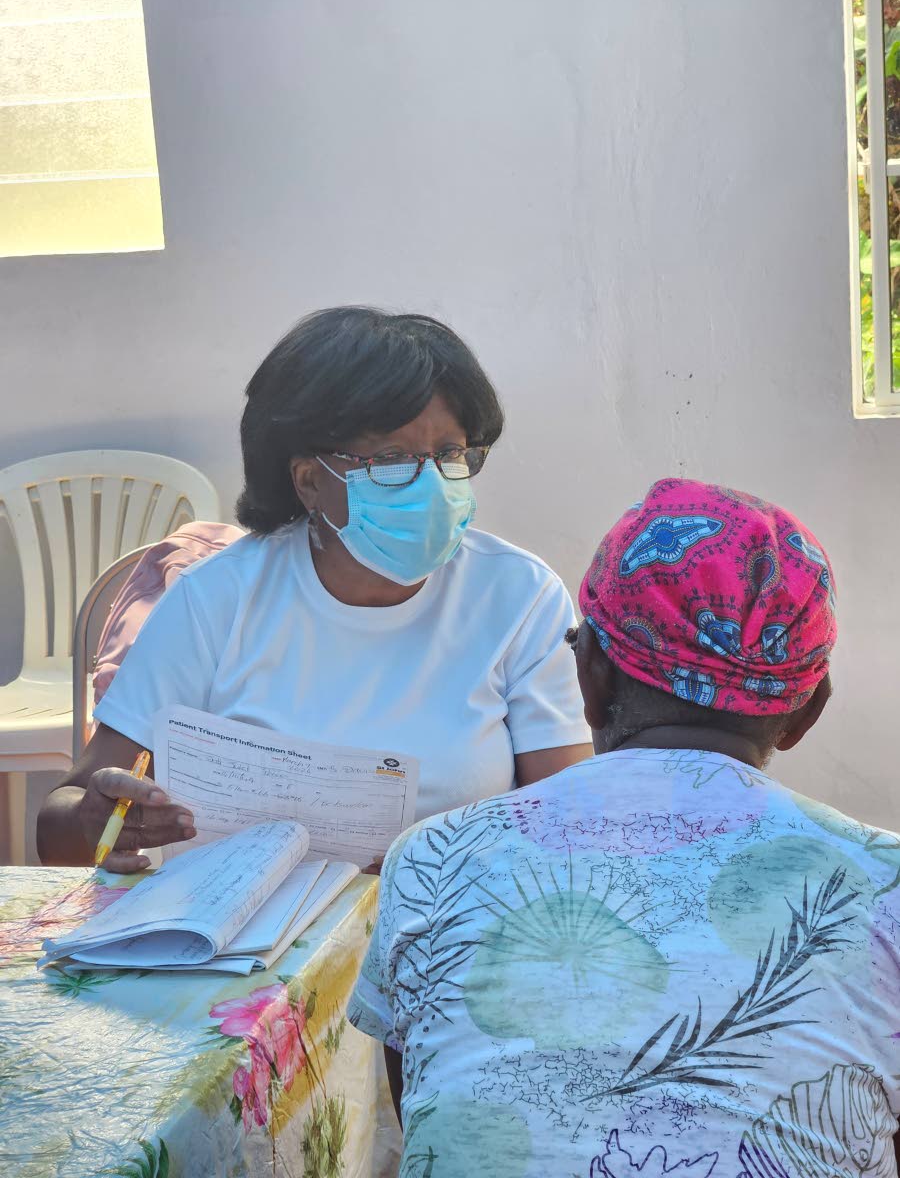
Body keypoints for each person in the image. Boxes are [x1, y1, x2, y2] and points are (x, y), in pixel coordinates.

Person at [349, 477, 900, 1177]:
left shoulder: (432, 857)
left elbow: (431, 1114)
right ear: (806, 714)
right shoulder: (886, 881)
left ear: (590, 679)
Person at [37, 307, 591, 871]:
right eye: (392, 459)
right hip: (248, 943)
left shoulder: (517, 595)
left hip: (449, 934)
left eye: (449, 454)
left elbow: (572, 823)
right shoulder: (217, 599)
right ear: (308, 480)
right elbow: (62, 823)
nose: (430, 483)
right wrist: (98, 825)